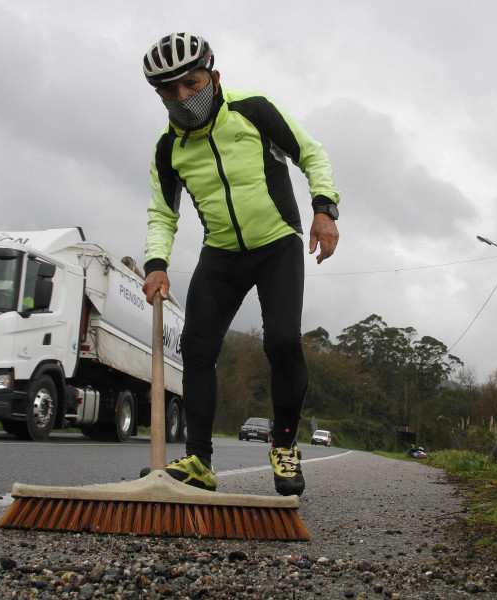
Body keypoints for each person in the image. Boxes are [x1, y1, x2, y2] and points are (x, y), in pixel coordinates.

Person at [140, 32, 340, 496]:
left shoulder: (254, 111)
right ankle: (199, 461)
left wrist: (325, 210)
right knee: (196, 347)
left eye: (191, 83)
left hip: (278, 245)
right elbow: (162, 214)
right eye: (169, 91)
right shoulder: (168, 149)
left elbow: (312, 154)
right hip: (222, 253)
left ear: (213, 74)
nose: (183, 97)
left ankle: (285, 444)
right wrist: (156, 263)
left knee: (283, 342)